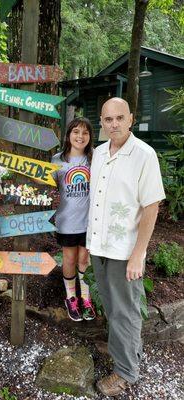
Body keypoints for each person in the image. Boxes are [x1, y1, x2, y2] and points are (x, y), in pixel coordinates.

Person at [87, 98, 165, 396]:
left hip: (125, 252)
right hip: (99, 246)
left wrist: (138, 254)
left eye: (120, 118)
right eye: (108, 119)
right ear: (102, 122)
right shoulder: (98, 153)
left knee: (126, 311)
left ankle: (125, 373)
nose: (114, 124)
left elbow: (151, 207)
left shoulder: (144, 155)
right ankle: (126, 352)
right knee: (113, 307)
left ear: (131, 119)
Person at [52, 117, 95, 322]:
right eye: (76, 131)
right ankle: (71, 297)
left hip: (89, 222)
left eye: (85, 133)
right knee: (69, 259)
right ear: (68, 135)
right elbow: (44, 183)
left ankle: (86, 298)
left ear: (90, 137)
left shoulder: (95, 158)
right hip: (67, 221)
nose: (80, 136)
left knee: (84, 259)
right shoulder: (57, 159)